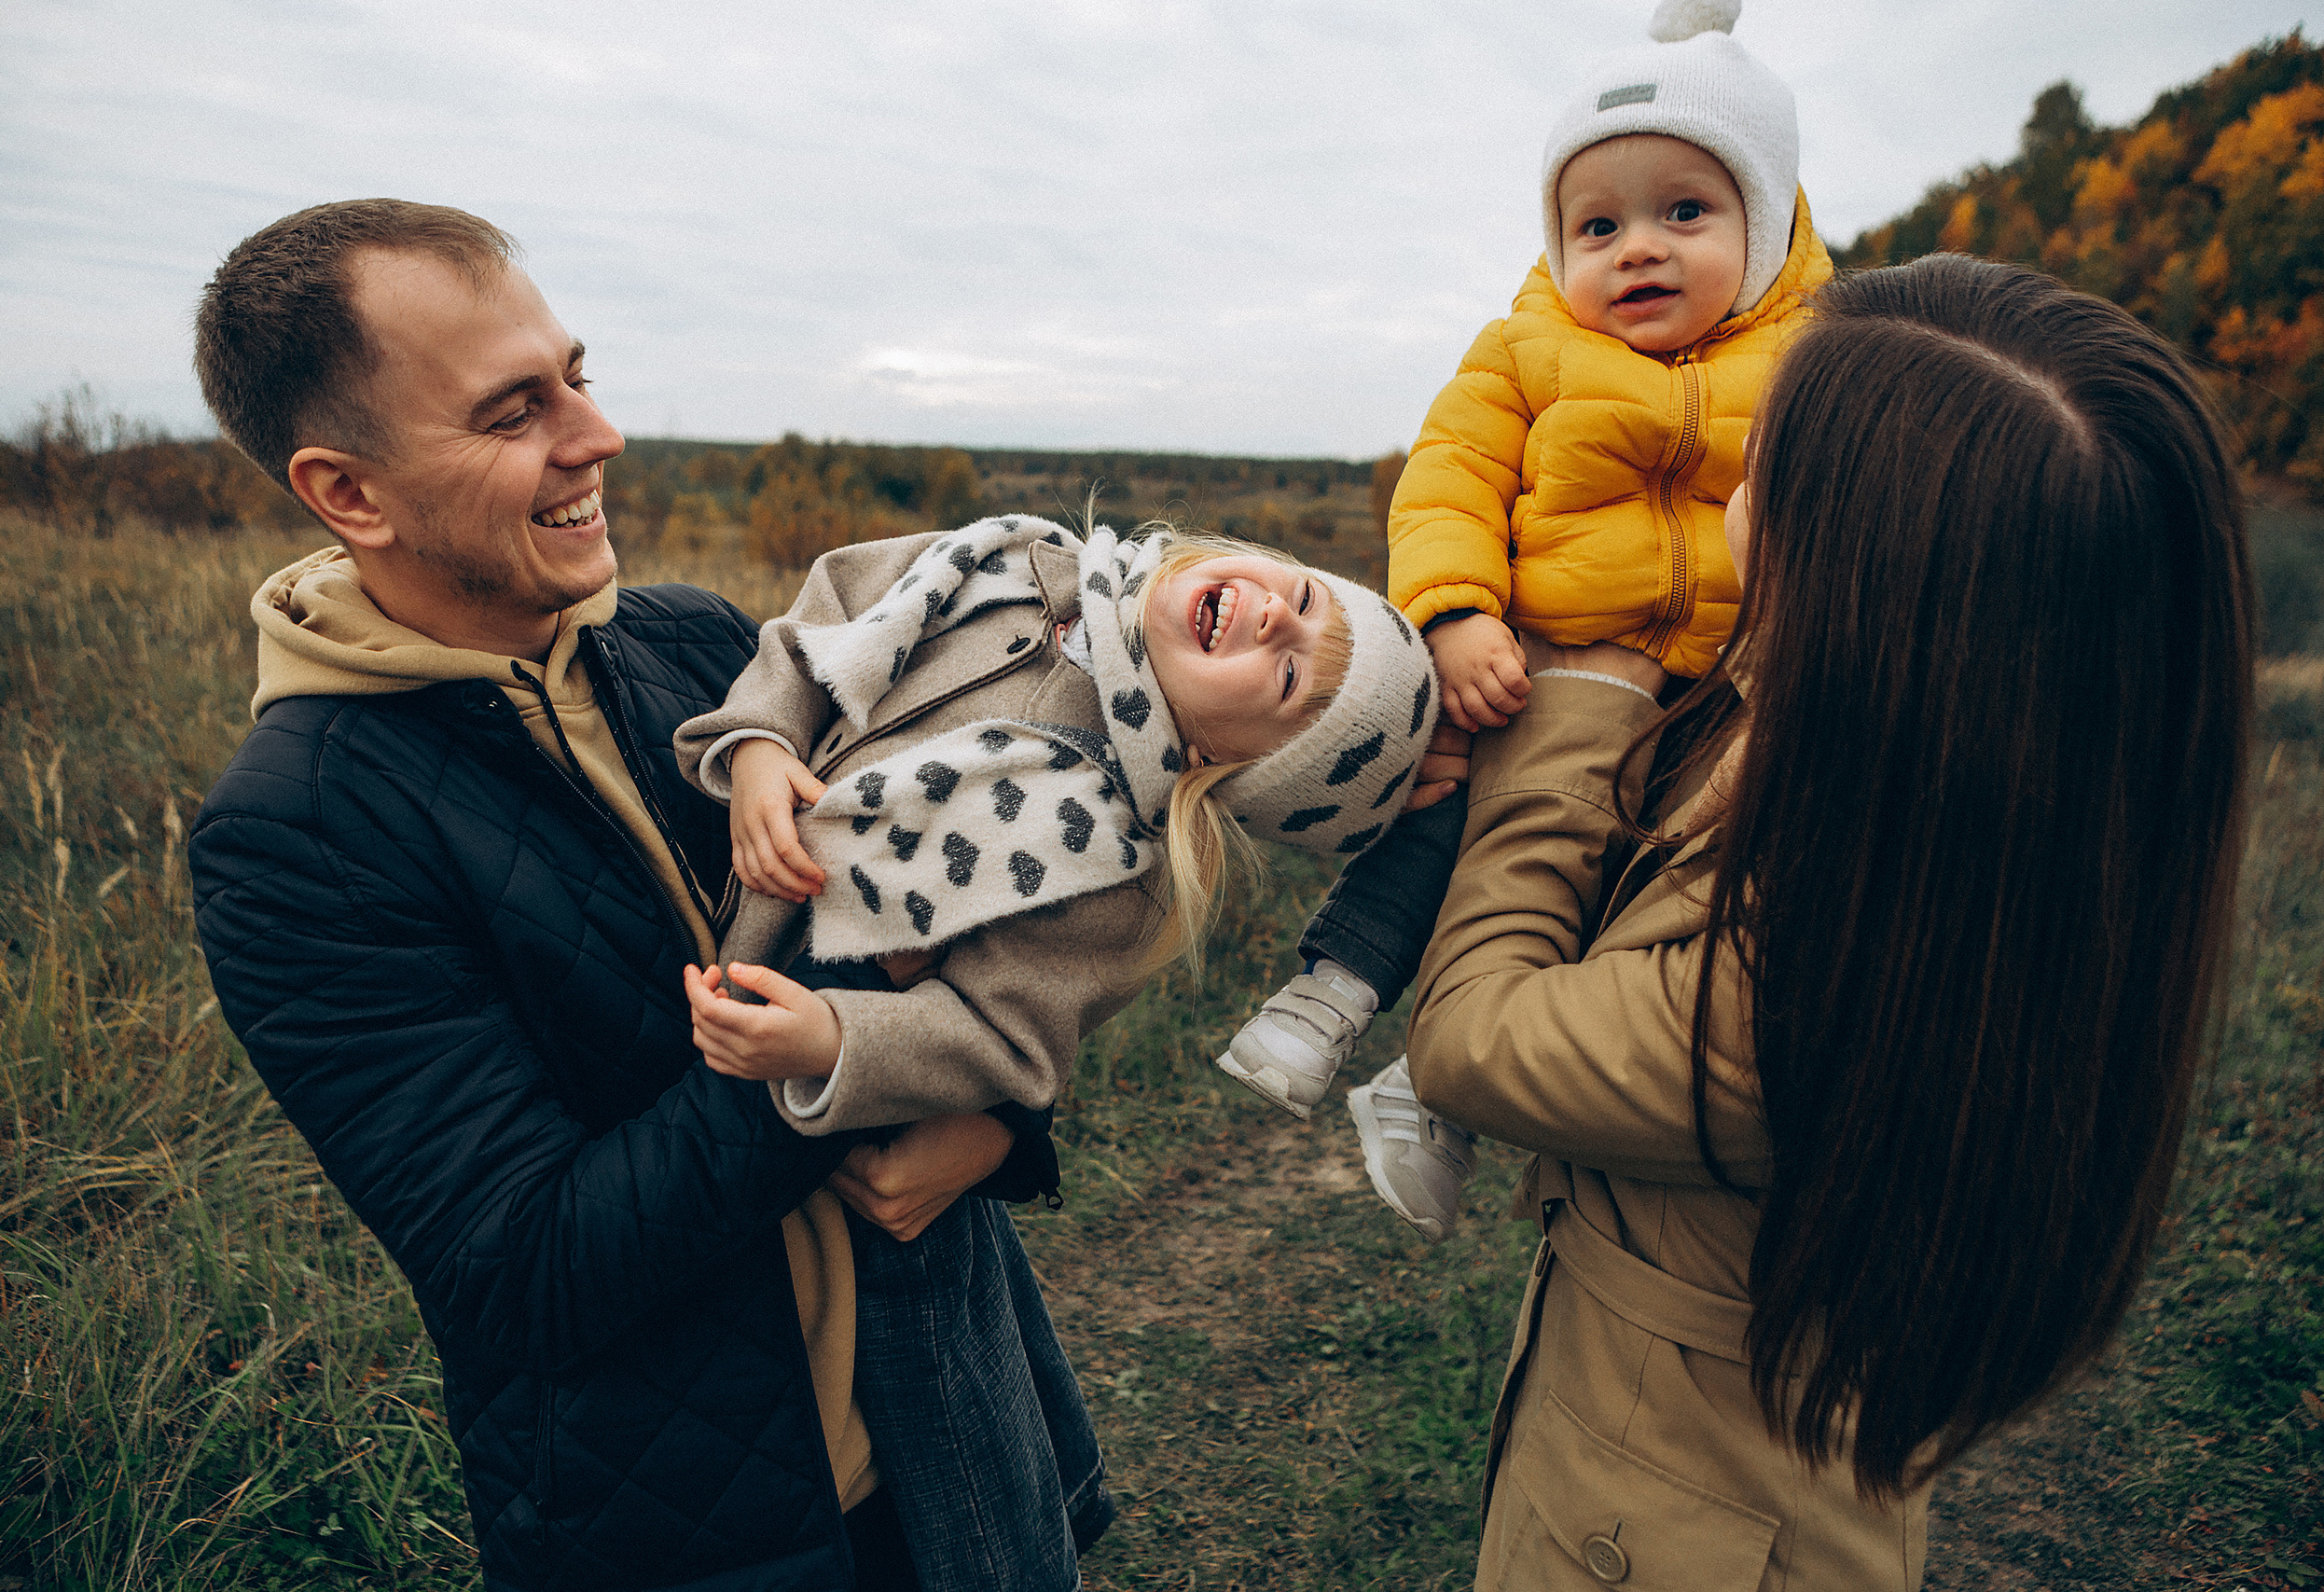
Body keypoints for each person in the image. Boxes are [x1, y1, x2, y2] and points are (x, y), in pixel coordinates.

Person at [186, 199, 1079, 1591]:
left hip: (953, 1428)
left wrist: (999, 1116)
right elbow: (527, 1265)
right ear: (349, 493)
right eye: (511, 411)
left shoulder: (703, 647)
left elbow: (987, 931)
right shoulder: (299, 828)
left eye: (579, 375)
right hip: (703, 1529)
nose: (595, 436)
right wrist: (852, 1041)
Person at [1404, 253, 2250, 1588]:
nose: (1725, 505)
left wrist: (1578, 689)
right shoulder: (1981, 803)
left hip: (1675, 1542)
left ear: (1866, 585)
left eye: (1758, 477)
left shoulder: (1809, 984)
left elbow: (1470, 1037)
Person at [1211, 0, 1833, 1245]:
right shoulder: (1525, 349)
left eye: (1684, 214)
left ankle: (1428, 1095)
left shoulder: (1822, 356)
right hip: (1545, 654)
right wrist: (1453, 610)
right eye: (1597, 226)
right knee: (1508, 827)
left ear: (1766, 228)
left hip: (1716, 679)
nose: (1636, 250)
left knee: (1631, 894)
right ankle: (1340, 995)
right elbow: (1448, 481)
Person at [671, 517, 1442, 1136]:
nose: (1278, 618)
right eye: (1306, 600)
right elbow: (835, 606)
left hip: (741, 1015)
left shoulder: (1109, 862)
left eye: (1288, 675)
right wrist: (761, 742)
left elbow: (1000, 1041)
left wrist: (836, 1037)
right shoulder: (1020, 559)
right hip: (680, 868)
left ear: (1223, 763)